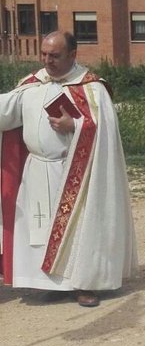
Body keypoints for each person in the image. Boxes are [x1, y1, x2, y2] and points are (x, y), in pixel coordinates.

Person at [0, 31, 136, 307]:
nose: (47, 61)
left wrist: (74, 126)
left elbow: (106, 131)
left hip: (78, 172)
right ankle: (52, 283)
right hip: (37, 169)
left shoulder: (92, 88)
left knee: (79, 230)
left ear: (73, 55)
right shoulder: (32, 84)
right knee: (40, 229)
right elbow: (7, 113)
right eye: (44, 54)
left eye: (55, 55)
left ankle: (84, 285)